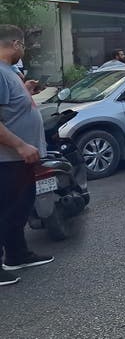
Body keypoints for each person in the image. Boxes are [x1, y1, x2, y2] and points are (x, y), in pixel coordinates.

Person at [0, 25, 54, 287]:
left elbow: (12, 108)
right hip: (7, 159)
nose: (23, 50)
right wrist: (20, 145)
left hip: (21, 160)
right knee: (6, 209)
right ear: (14, 44)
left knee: (19, 208)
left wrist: (26, 90)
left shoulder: (10, 72)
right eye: (22, 45)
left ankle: (17, 254)